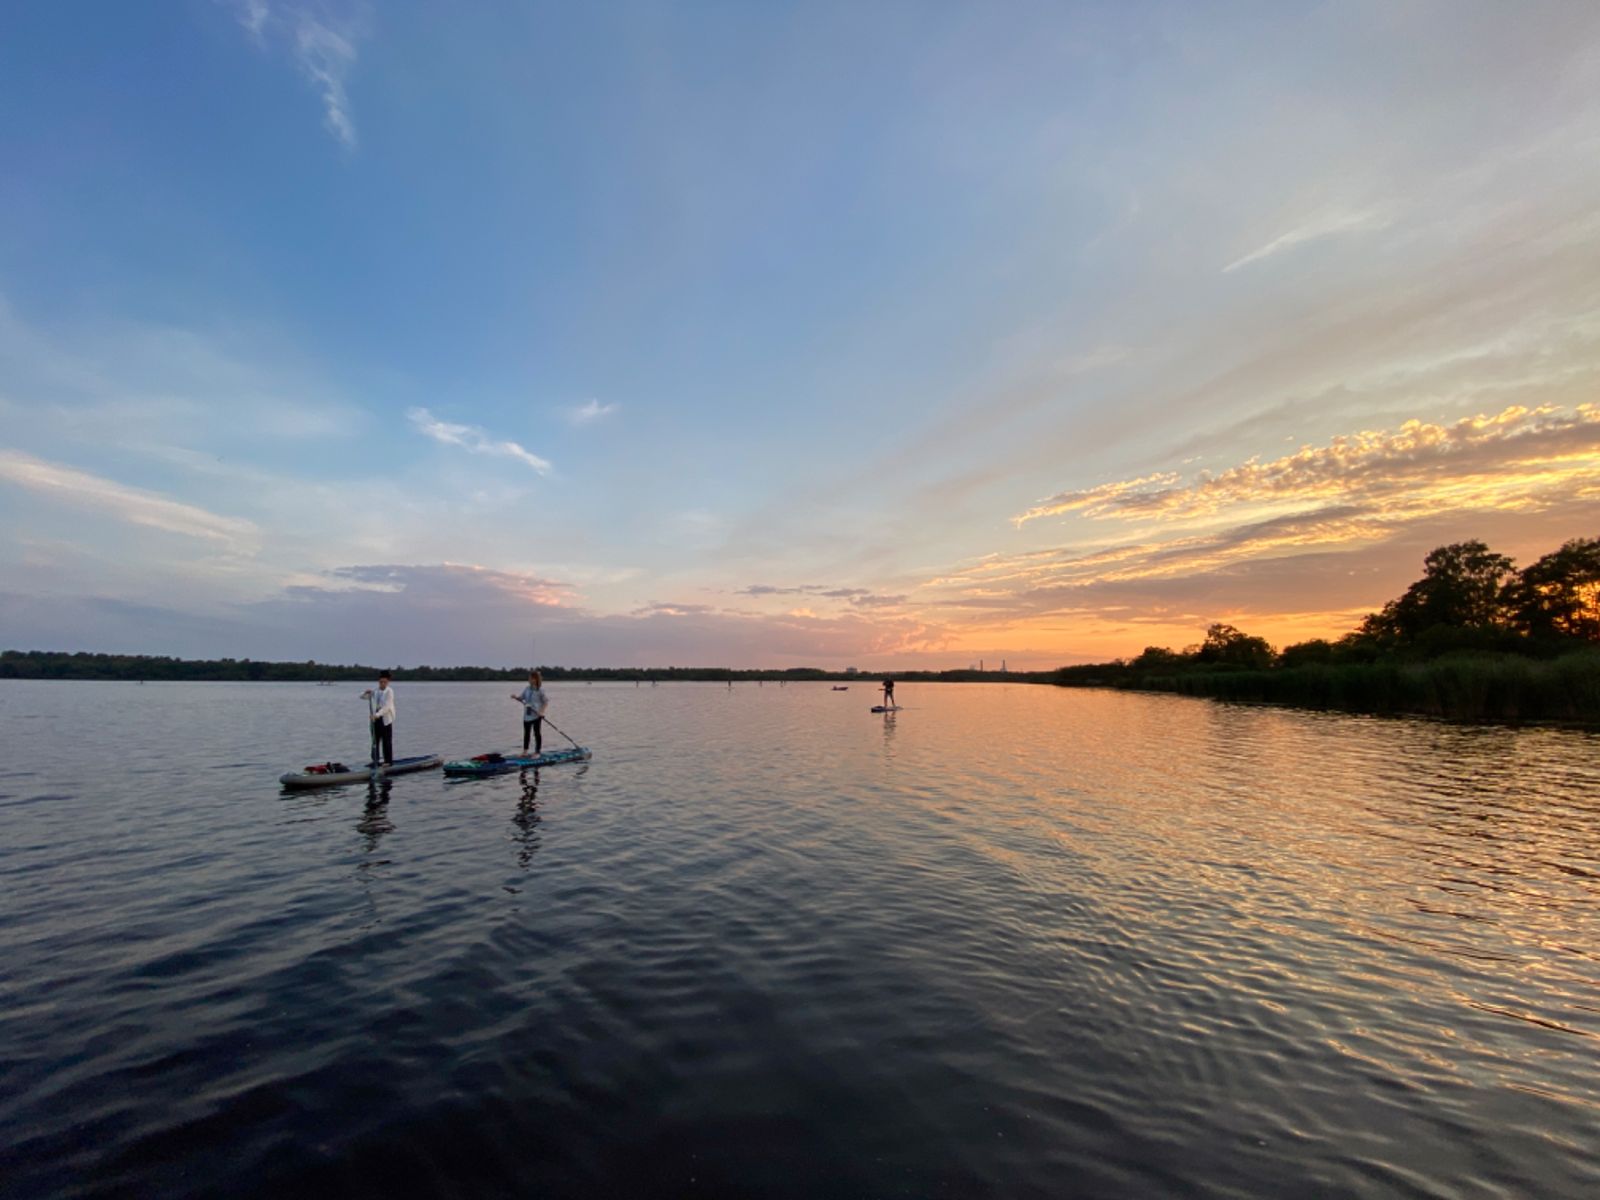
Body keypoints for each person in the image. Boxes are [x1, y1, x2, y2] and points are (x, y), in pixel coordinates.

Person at [511, 670, 549, 754]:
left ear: (535, 679)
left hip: (536, 715)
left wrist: (541, 712)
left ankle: (537, 752)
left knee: (537, 733)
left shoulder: (540, 690)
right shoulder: (527, 688)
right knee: (526, 733)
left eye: (531, 678)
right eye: (529, 678)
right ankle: (525, 751)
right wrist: (515, 697)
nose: (529, 680)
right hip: (527, 714)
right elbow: (522, 698)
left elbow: (545, 702)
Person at [362, 672, 396, 765]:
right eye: (381, 682)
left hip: (385, 719)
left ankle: (388, 761)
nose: (382, 684)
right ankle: (375, 760)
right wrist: (366, 693)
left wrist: (376, 715)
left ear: (388, 682)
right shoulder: (376, 691)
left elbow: (387, 707)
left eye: (384, 682)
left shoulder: (389, 691)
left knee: (386, 741)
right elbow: (363, 697)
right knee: (374, 741)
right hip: (375, 719)